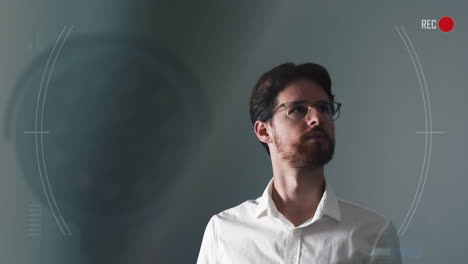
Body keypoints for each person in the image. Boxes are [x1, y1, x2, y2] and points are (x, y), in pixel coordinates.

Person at [196, 62, 402, 263]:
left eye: (324, 108)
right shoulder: (223, 232)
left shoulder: (374, 234)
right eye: (297, 110)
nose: (317, 119)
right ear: (264, 131)